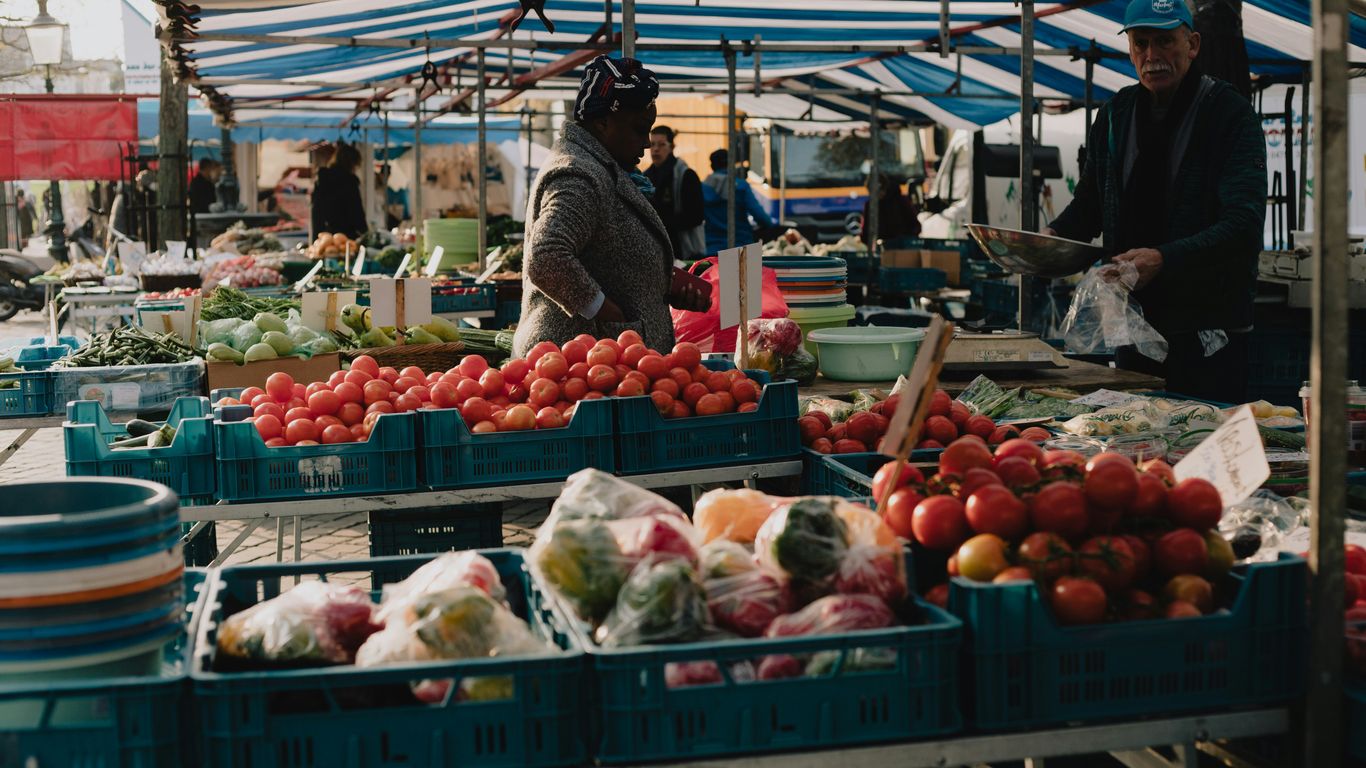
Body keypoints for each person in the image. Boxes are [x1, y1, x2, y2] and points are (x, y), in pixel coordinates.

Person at [1045, 0, 1266, 402]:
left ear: (1193, 43)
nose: (1152, 56)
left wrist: (1163, 258)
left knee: (1201, 443)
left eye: (1165, 41)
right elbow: (1090, 205)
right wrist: (1050, 238)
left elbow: (1243, 224)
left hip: (1207, 332)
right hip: (1132, 323)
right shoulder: (1114, 115)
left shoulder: (1228, 113)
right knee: (1137, 445)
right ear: (1129, 48)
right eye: (1141, 43)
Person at [513, 55, 710, 357]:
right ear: (603, 122)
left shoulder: (600, 166)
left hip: (604, 360)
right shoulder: (578, 173)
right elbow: (547, 258)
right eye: (639, 129)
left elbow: (607, 253)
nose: (646, 143)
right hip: (583, 362)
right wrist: (608, 315)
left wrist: (660, 281)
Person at [644, 126, 705, 261]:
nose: (655, 149)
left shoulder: (686, 176)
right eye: (652, 144)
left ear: (672, 147)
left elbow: (696, 215)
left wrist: (663, 224)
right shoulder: (645, 178)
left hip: (684, 251)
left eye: (661, 144)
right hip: (655, 250)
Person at [700, 149, 775, 256]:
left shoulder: (703, 188)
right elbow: (760, 217)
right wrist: (768, 225)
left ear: (712, 166)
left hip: (712, 248)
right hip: (741, 248)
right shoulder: (741, 187)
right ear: (732, 165)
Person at [311, 142, 368, 239]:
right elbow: (356, 210)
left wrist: (315, 236)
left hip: (324, 234)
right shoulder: (349, 182)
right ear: (352, 163)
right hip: (345, 235)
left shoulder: (322, 179)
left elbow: (316, 210)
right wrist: (365, 232)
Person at [862, 174, 921, 247]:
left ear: (883, 188)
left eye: (876, 192)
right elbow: (865, 233)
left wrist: (905, 238)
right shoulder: (870, 206)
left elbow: (915, 225)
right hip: (882, 247)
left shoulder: (900, 201)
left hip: (903, 247)